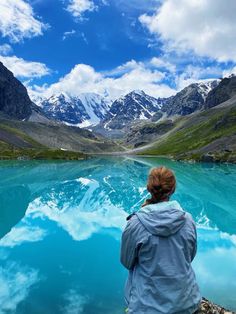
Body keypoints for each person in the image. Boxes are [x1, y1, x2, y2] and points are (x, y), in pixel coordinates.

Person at [120, 166, 201, 314]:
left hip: (146, 307)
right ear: (173, 189)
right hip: (187, 304)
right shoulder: (188, 220)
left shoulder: (135, 224)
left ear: (149, 188)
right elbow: (190, 256)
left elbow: (126, 261)